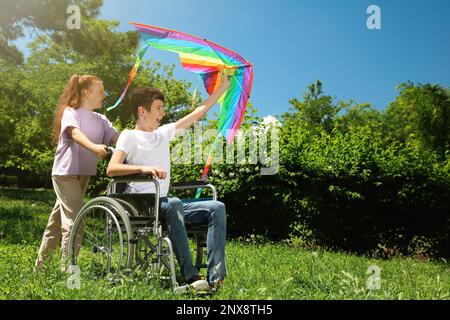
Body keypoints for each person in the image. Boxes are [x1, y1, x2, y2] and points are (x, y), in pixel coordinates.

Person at [107, 73, 230, 289]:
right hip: (141, 204)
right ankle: (191, 277)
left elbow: (199, 112)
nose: (163, 113)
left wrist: (223, 87)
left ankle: (216, 278)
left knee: (216, 207)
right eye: (159, 108)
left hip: (164, 202)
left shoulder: (163, 133)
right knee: (173, 203)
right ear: (142, 111)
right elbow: (112, 168)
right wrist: (144, 168)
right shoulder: (129, 135)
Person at [35, 74, 119, 272]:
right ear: (87, 92)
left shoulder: (101, 119)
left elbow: (117, 138)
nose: (104, 95)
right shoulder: (70, 112)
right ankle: (68, 271)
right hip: (66, 173)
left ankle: (40, 268)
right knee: (75, 221)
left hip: (83, 174)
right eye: (100, 91)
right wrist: (94, 147)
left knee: (56, 223)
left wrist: (137, 142)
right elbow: (74, 133)